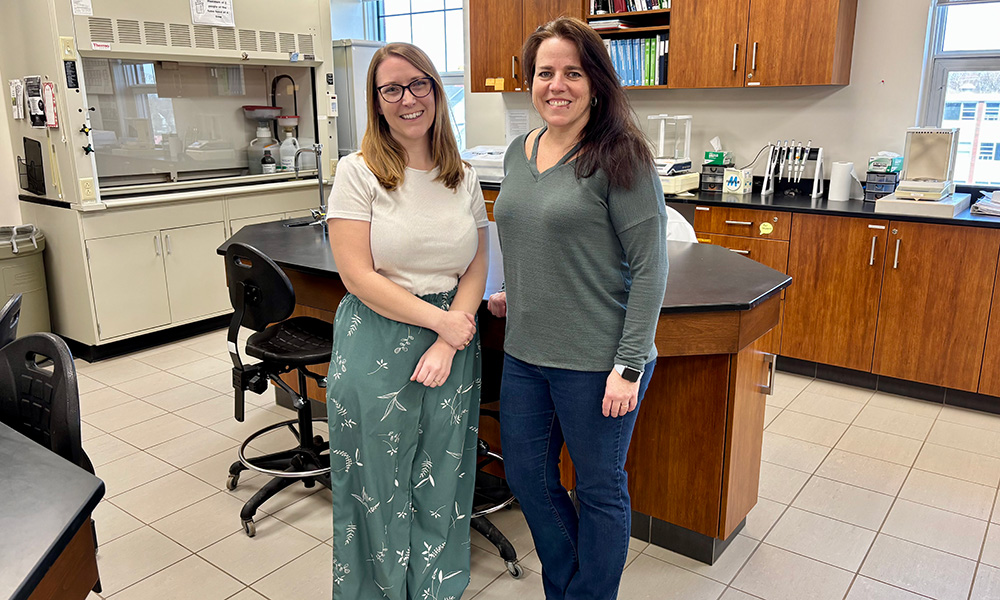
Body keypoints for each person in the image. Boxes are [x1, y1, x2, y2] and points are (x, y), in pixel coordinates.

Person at [487, 17, 668, 600]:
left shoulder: (621, 158)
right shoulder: (520, 151)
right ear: (530, 81)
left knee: (598, 489)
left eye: (572, 71)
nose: (556, 85)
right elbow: (533, 235)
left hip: (597, 363)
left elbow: (649, 268)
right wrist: (521, 291)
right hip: (525, 355)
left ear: (595, 81)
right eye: (545, 72)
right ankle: (567, 589)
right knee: (530, 481)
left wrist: (630, 365)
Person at [325, 42, 489, 600]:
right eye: (391, 88)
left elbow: (476, 263)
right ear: (376, 101)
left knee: (441, 476)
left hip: (454, 339)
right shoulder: (358, 171)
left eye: (419, 84)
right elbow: (357, 275)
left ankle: (434, 589)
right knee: (377, 483)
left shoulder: (462, 176)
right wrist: (440, 325)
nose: (408, 98)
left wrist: (452, 332)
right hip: (378, 336)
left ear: (437, 92)